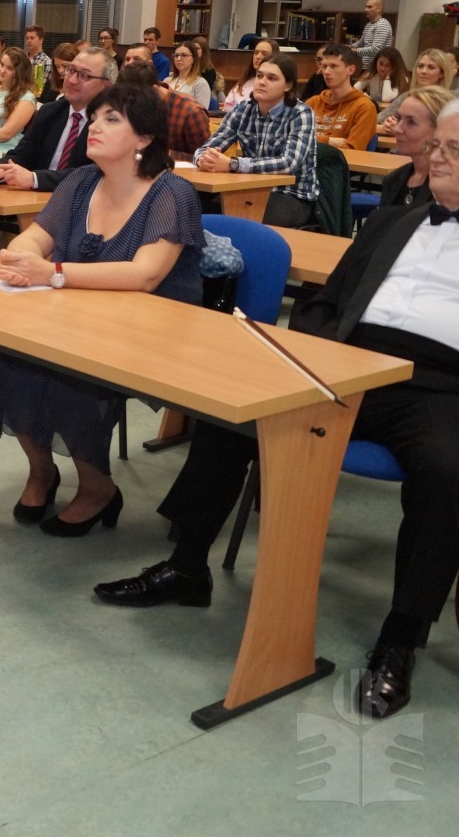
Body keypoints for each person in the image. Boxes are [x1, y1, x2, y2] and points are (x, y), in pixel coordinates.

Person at [95, 102, 459, 720]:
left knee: (447, 472)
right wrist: (311, 352)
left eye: (452, 148)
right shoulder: (395, 222)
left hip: (440, 386)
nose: (437, 156)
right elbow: (325, 301)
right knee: (244, 404)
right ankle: (187, 566)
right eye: (438, 145)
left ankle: (401, 637)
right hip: (349, 362)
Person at [0, 85, 203, 536]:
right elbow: (35, 237)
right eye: (95, 118)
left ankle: (98, 488)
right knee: (10, 362)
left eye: (112, 119)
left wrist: (52, 273)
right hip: (81, 317)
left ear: (144, 138)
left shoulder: (172, 194)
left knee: (72, 379)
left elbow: (145, 275)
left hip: (153, 329)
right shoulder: (80, 182)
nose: (95, 126)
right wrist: (21, 259)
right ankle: (42, 472)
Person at [193, 52, 318, 227]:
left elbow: (288, 163)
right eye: (259, 76)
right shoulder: (243, 110)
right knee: (193, 207)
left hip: (291, 195)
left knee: (239, 222)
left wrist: (233, 164)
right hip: (247, 188)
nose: (262, 82)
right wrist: (204, 159)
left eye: (272, 78)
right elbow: (205, 148)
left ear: (288, 85)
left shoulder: (300, 113)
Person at [0, 44, 117, 191]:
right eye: (71, 70)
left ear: (106, 86)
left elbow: (92, 174)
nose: (72, 80)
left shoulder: (111, 123)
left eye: (84, 75)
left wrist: (35, 179)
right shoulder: (50, 111)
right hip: (33, 199)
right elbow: (23, 154)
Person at [117, 60, 210, 161]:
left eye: (136, 99)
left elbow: (204, 159)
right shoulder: (133, 104)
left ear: (154, 90)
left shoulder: (191, 112)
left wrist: (162, 154)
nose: (132, 104)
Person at [374, 86, 449, 210]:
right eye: (398, 119)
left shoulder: (450, 187)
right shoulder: (393, 179)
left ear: (438, 129)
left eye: (411, 122)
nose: (397, 129)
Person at [305, 43, 377, 150]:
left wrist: (312, 141)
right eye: (324, 66)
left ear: (351, 70)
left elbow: (353, 149)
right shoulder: (313, 103)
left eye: (333, 66)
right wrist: (329, 141)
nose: (326, 72)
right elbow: (292, 139)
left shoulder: (364, 107)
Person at [222, 38, 278, 111]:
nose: (258, 57)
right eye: (256, 53)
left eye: (264, 54)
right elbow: (227, 107)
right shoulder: (243, 83)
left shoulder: (275, 85)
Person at [348, 0, 393, 66]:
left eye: (369, 7)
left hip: (376, 68)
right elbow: (361, 43)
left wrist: (352, 50)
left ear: (379, 9)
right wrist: (347, 47)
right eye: (366, 7)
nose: (365, 10)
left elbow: (376, 50)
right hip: (365, 66)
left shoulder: (382, 24)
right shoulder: (368, 25)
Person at [166, 42, 211, 110]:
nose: (178, 59)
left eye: (184, 55)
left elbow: (201, 113)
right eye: (176, 55)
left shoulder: (200, 84)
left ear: (193, 59)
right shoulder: (167, 81)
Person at [25, 25, 53, 95]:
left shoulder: (46, 61)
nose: (29, 41)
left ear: (41, 40)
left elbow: (40, 88)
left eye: (32, 38)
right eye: (27, 38)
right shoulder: (23, 59)